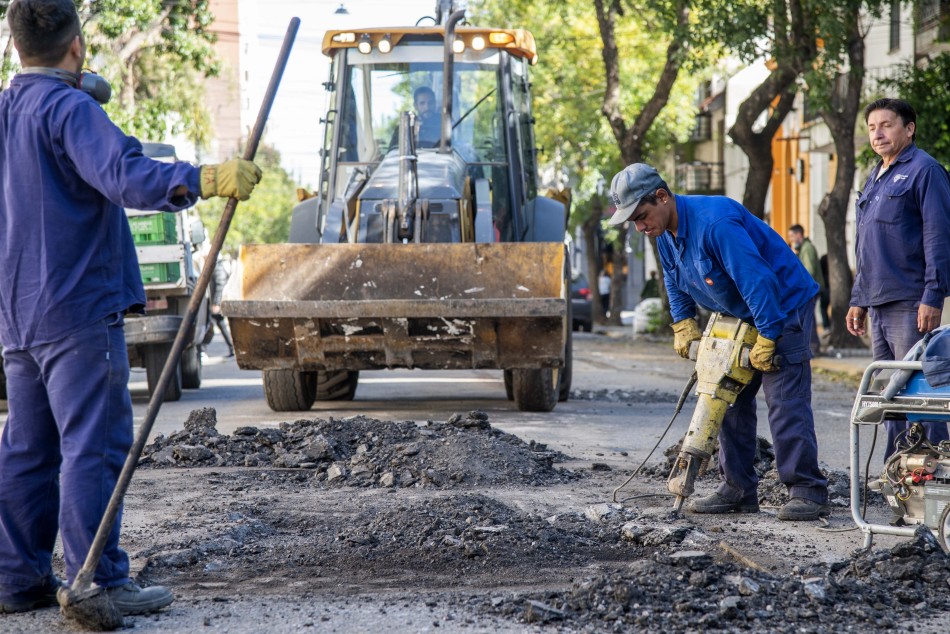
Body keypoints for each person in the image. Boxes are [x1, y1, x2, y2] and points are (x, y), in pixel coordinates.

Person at [0, 0, 262, 616]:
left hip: (17, 315)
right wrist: (204, 178)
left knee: (28, 449)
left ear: (16, 47)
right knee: (92, 444)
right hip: (76, 308)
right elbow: (124, 173)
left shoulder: (8, 111)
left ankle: (15, 580)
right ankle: (98, 579)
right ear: (78, 46)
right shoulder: (69, 109)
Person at [608, 163, 829, 521]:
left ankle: (808, 491)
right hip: (736, 313)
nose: (640, 226)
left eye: (641, 216)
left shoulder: (716, 223)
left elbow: (757, 280)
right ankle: (738, 489)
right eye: (633, 221)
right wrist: (682, 322)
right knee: (726, 396)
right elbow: (673, 277)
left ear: (662, 197)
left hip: (782, 307)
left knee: (783, 400)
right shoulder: (663, 233)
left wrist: (770, 335)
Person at [847, 97, 950, 460]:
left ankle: (931, 475)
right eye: (872, 127)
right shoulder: (875, 176)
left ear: (909, 128)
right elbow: (865, 243)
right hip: (877, 302)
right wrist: (858, 298)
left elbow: (938, 236)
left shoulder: (925, 170)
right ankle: (898, 476)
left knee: (921, 395)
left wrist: (933, 295)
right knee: (890, 396)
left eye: (886, 125)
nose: (878, 133)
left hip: (910, 302)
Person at [787, 224, 825, 356]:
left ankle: (814, 347)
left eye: (792, 236)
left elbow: (809, 270)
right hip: (810, 288)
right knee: (808, 317)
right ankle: (812, 347)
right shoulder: (802, 248)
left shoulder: (807, 248)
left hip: (811, 288)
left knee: (809, 318)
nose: (791, 239)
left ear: (799, 235)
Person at [389, 86, 441, 150]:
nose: (427, 107)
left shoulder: (445, 124)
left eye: (430, 103)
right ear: (415, 106)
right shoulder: (405, 127)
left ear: (435, 103)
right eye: (422, 103)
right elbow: (393, 151)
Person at [209, 258, 235, 357]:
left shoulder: (217, 268)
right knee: (220, 324)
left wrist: (216, 303)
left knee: (217, 324)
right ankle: (232, 348)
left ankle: (232, 348)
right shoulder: (215, 267)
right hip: (217, 303)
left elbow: (220, 285)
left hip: (218, 303)